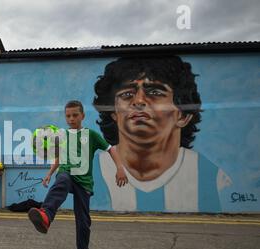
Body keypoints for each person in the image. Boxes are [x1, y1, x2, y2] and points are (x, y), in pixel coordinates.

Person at [93, 56, 231, 212]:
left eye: (154, 92)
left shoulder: (212, 179)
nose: (138, 101)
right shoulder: (93, 172)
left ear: (183, 115)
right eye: (127, 94)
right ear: (114, 113)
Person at [28, 100, 128, 249]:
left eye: (75, 115)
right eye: (68, 116)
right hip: (67, 174)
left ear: (83, 115)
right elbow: (60, 158)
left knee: (83, 221)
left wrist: (120, 168)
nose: (71, 119)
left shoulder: (92, 135)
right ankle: (46, 215)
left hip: (84, 181)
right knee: (63, 179)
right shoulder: (63, 136)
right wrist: (50, 173)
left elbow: (111, 149)